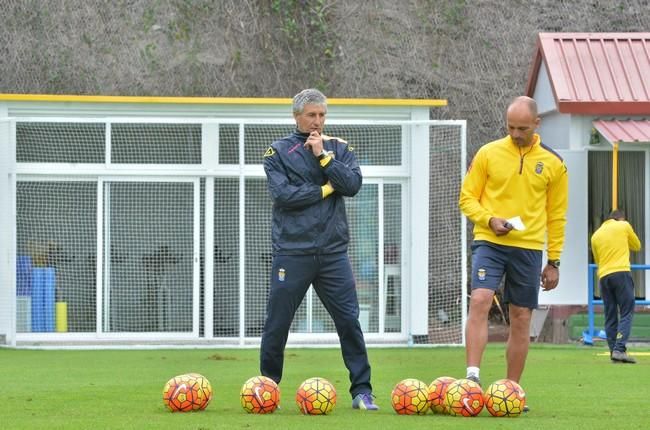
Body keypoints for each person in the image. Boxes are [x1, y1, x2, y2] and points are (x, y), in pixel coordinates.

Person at [259, 88, 378, 410]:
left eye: (322, 115)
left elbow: (352, 186)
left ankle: (362, 391)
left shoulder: (339, 148)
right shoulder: (277, 152)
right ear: (296, 115)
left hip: (332, 254)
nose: (317, 121)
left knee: (349, 321)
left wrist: (324, 157)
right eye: (311, 115)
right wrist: (327, 187)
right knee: (277, 323)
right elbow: (285, 197)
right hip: (292, 251)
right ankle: (267, 390)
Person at [458, 96, 569, 398]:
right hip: (489, 240)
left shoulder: (554, 164)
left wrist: (554, 261)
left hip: (529, 248)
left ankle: (511, 390)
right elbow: (467, 198)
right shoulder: (488, 153)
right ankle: (472, 379)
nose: (516, 134)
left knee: (521, 317)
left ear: (537, 123)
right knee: (480, 298)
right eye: (510, 128)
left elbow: (556, 215)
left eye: (522, 128)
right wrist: (489, 219)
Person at [590, 209, 641, 363]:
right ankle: (620, 349)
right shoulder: (623, 226)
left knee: (610, 314)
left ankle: (613, 351)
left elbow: (598, 260)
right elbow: (637, 245)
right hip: (621, 273)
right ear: (621, 218)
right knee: (626, 311)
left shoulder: (595, 235)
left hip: (604, 276)